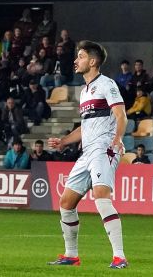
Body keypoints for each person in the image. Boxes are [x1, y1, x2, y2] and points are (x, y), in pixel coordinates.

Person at [47, 40, 128, 268]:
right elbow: (85, 126)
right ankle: (71, 255)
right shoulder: (84, 92)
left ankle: (119, 256)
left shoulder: (107, 84)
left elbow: (121, 115)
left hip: (104, 147)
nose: (76, 60)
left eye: (80, 56)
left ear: (92, 62)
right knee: (66, 202)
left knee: (101, 198)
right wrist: (64, 142)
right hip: (87, 151)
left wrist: (117, 139)